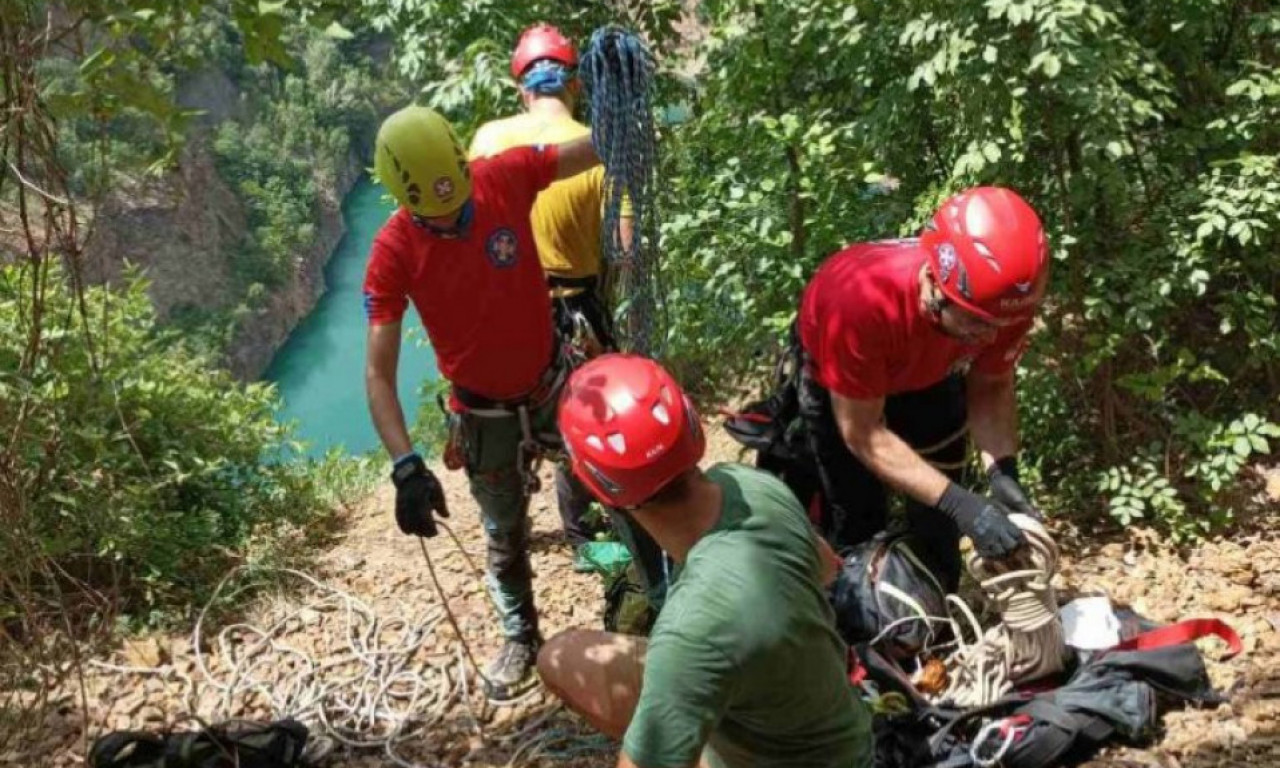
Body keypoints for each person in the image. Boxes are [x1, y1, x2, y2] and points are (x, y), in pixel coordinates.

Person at [362, 104, 603, 699]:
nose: (453, 222)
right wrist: (405, 466)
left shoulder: (503, 175)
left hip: (551, 381)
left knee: (618, 486)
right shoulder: (393, 251)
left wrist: (628, 102)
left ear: (465, 168)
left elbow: (594, 148)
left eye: (460, 208)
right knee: (503, 531)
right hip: (483, 412)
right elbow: (377, 374)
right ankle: (521, 634)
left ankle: (659, 596)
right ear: (406, 199)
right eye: (436, 218)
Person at [539, 354, 873, 768]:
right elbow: (827, 571)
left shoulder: (689, 630)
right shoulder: (749, 485)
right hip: (843, 729)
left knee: (560, 658)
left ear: (600, 488)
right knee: (560, 654)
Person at [795, 186, 1049, 591]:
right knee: (859, 516)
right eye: (975, 323)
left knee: (941, 524)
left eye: (995, 326)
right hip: (845, 384)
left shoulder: (1000, 305)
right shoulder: (861, 305)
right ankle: (865, 625)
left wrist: (1004, 476)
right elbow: (863, 434)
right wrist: (962, 503)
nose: (987, 337)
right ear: (934, 281)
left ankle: (939, 609)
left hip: (928, 373)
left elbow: (991, 383)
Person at [470, 23, 639, 570]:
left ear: (522, 87)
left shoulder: (487, 141)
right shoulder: (599, 147)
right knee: (584, 414)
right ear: (575, 86)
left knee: (501, 417)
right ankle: (583, 536)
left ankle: (505, 532)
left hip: (501, 309)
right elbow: (625, 248)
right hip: (576, 305)